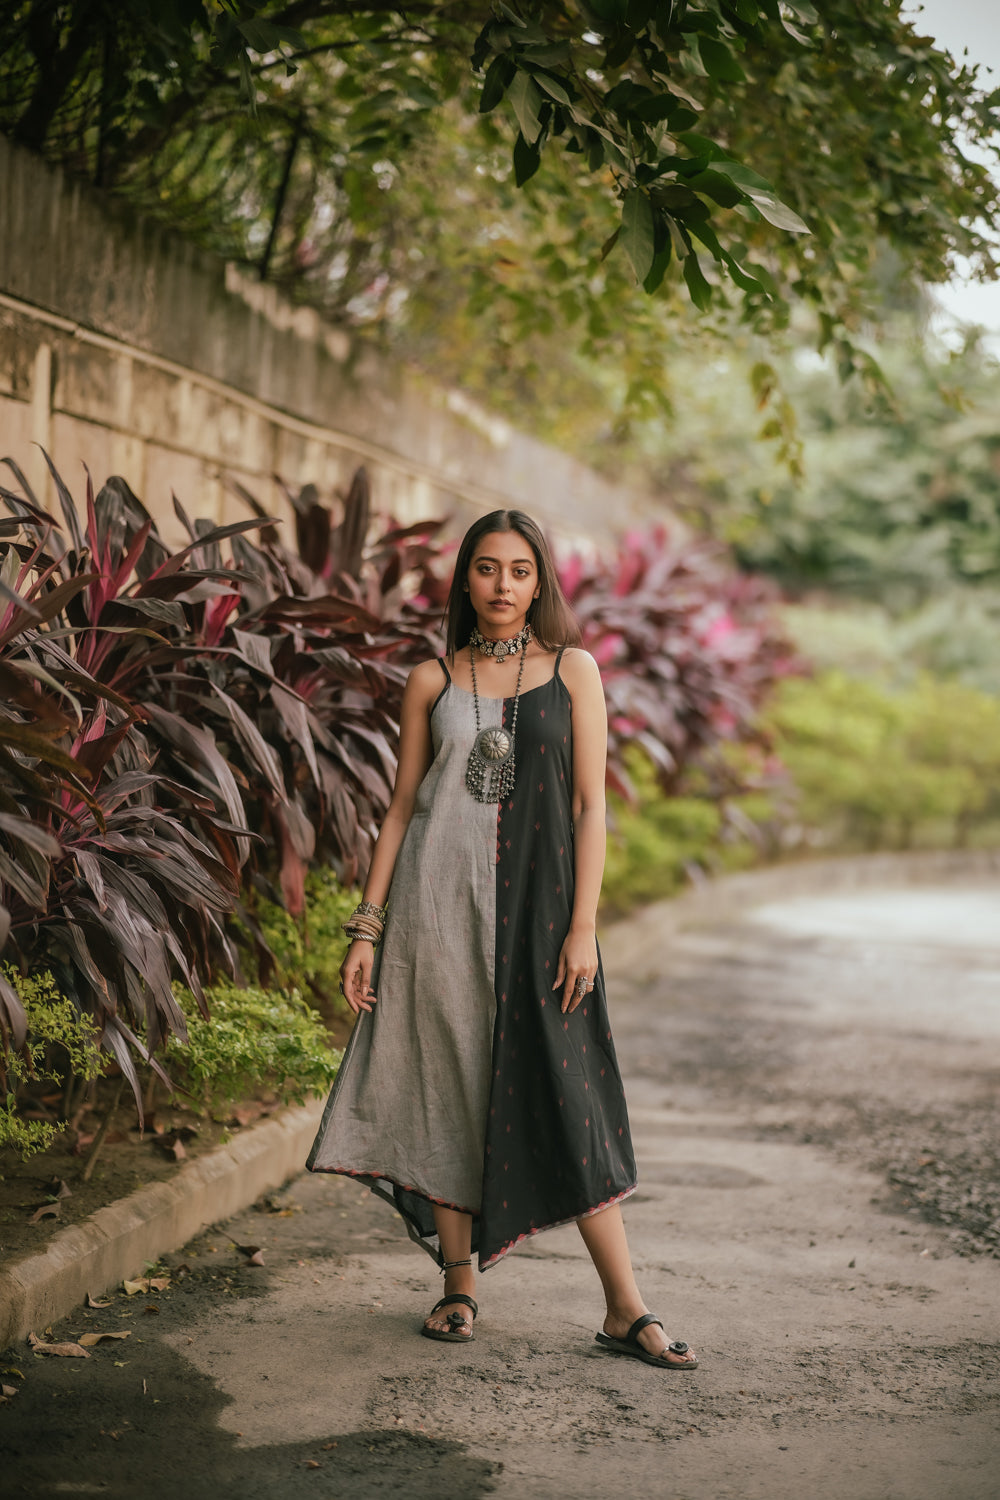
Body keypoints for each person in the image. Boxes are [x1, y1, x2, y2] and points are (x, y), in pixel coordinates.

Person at [307, 509, 697, 1370]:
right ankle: (458, 1285)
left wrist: (583, 927)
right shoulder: (433, 681)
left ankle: (624, 1308)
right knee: (449, 1082)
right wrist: (367, 930)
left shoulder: (575, 672)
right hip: (435, 914)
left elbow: (593, 807)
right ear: (466, 580)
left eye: (520, 571)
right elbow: (402, 807)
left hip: (542, 918)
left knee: (571, 1097)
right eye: (487, 569)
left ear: (540, 582)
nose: (503, 586)